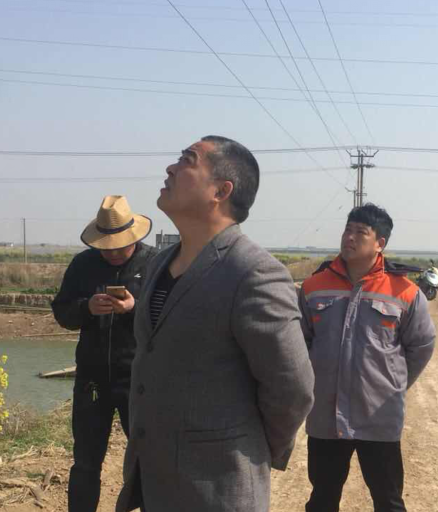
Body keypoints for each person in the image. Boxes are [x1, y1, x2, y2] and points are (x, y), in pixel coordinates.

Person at [115, 136, 315, 512]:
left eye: (187, 160)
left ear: (221, 191)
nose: (171, 168)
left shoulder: (253, 272)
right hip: (155, 484)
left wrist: (249, 450)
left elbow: (292, 387)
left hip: (218, 488)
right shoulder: (159, 264)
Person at [298, 203, 436, 512]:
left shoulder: (404, 291)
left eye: (361, 232)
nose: (350, 237)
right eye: (347, 229)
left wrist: (394, 384)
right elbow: (300, 342)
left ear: (380, 243)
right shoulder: (313, 286)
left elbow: (422, 345)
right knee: (322, 499)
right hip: (326, 416)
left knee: (388, 501)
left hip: (378, 416)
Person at [51, 195, 158, 512]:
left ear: (134, 237)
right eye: (105, 246)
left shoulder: (156, 264)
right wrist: (86, 308)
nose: (111, 252)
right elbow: (62, 313)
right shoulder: (82, 265)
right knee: (85, 461)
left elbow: (172, 319)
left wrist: (134, 309)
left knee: (149, 461)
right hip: (92, 380)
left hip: (140, 380)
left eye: (118, 246)